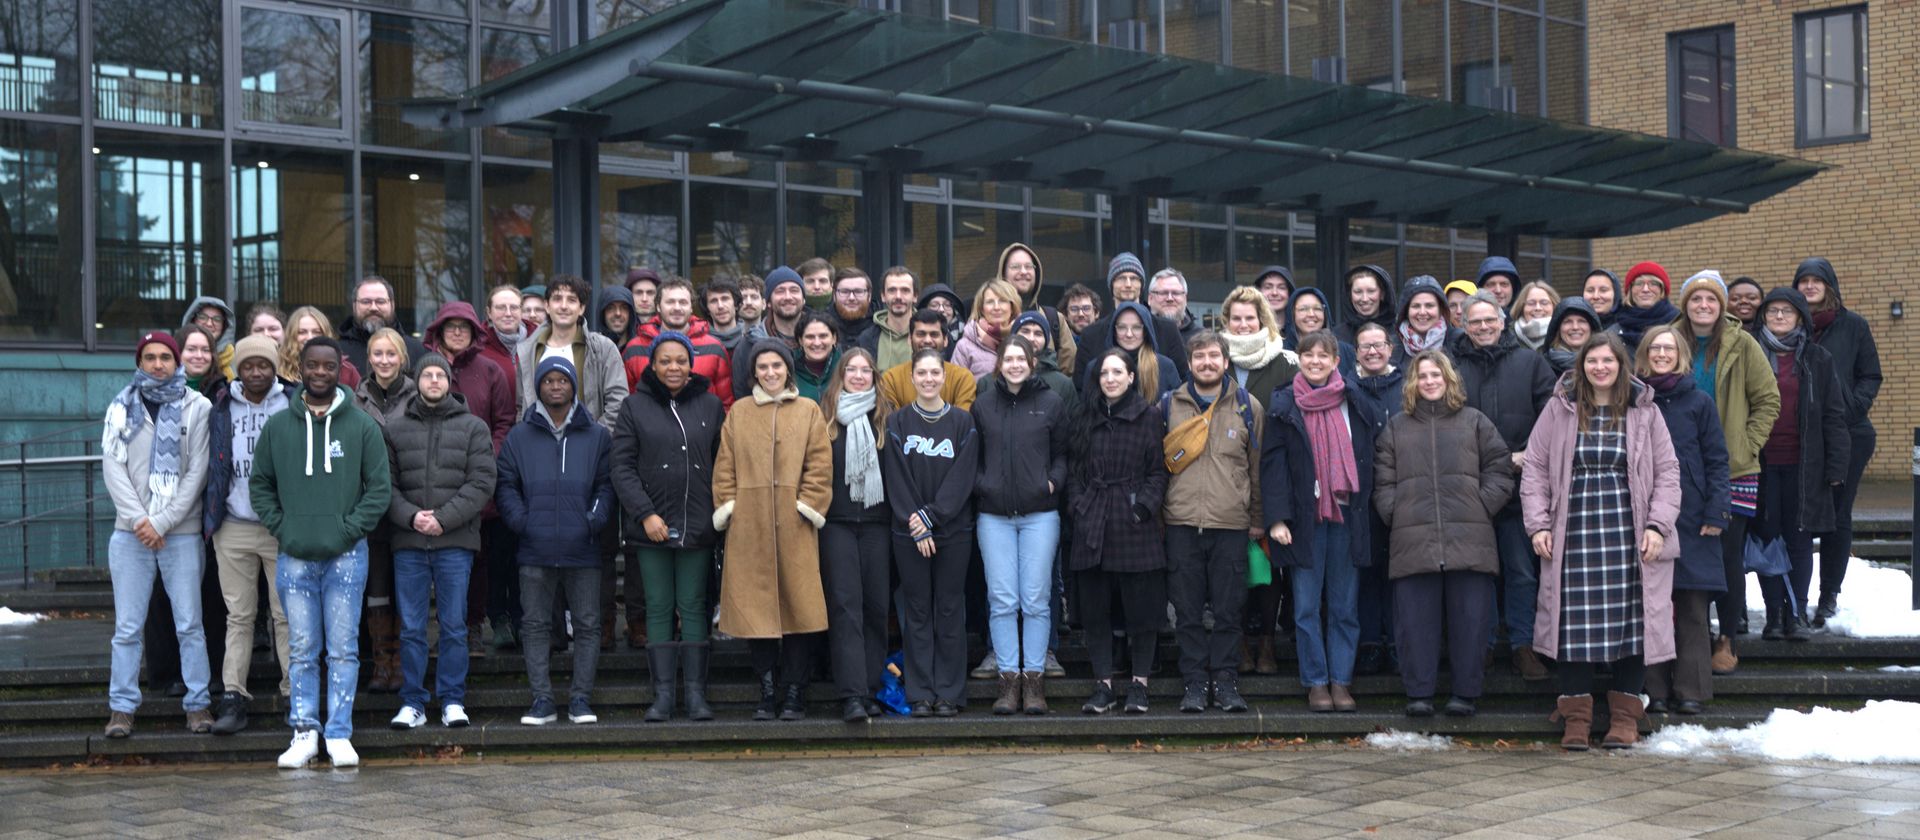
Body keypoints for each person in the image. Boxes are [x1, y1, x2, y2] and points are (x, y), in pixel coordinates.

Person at [1522, 334, 1681, 751]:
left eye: (1607, 360)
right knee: (1572, 626)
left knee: (1634, 624)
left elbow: (1668, 472)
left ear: (1621, 365)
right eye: (1592, 361)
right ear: (1581, 366)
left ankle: (1625, 719)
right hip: (1572, 535)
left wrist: (1657, 526)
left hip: (1630, 535)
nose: (1600, 368)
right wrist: (1538, 525)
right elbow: (1535, 468)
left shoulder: (1645, 411)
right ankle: (1576, 719)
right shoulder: (1560, 409)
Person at [252, 337, 392, 768]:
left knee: (344, 649)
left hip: (347, 556)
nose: (319, 373)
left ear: (339, 370)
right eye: (311, 365)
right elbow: (260, 485)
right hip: (294, 555)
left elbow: (379, 490)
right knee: (302, 647)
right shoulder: (277, 426)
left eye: (327, 366)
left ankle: (339, 733)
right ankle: (304, 732)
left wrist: (348, 531)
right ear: (301, 367)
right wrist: (285, 528)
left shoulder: (362, 426)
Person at [1373, 350, 1513, 718]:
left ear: (1449, 379)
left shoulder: (1475, 422)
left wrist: (1482, 505)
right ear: (1412, 383)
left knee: (1471, 621)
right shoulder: (1396, 427)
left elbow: (1500, 468)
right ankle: (1419, 692)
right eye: (1423, 376)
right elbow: (1382, 481)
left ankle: (1465, 693)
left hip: (1470, 538)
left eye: (1436, 374)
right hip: (1413, 541)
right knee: (1416, 624)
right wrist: (1396, 510)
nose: (1430, 381)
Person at [1261, 330, 1383, 713]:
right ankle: (1315, 682)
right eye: (1308, 355)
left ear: (1336, 362)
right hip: (1304, 519)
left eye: (1323, 356)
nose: (1315, 361)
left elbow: (1371, 455)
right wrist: (1278, 518)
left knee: (1345, 606)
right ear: (1299, 358)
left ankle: (1341, 681)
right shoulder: (1283, 403)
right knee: (1306, 607)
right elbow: (1273, 465)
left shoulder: (1355, 399)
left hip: (1348, 516)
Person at [101, 331, 215, 740]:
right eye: (149, 357)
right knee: (128, 628)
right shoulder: (120, 406)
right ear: (140, 361)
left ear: (176, 360)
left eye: (165, 356)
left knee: (189, 624)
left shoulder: (197, 406)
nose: (157, 364)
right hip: (130, 535)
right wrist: (139, 521)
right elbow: (112, 469)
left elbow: (198, 471)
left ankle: (198, 704)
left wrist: (162, 522)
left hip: (179, 534)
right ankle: (122, 709)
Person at [714, 340, 834, 721]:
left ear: (788, 369)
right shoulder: (740, 413)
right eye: (763, 367)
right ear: (754, 372)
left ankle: (795, 691)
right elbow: (725, 466)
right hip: (749, 527)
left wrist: (807, 506)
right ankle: (766, 690)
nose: (770, 373)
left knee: (798, 609)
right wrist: (731, 507)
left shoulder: (808, 410)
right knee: (756, 612)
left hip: (796, 525)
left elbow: (819, 465)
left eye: (777, 366)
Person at [611, 333, 724, 723]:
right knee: (658, 607)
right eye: (665, 361)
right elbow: (621, 466)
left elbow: (721, 463)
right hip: (651, 528)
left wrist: (716, 513)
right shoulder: (634, 406)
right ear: (652, 366)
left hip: (697, 524)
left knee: (693, 606)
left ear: (691, 364)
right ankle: (661, 696)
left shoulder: (710, 405)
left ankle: (695, 695)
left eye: (680, 360)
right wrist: (645, 514)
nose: (673, 367)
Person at [496, 356, 614, 727]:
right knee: (534, 625)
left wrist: (593, 520)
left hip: (583, 548)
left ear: (573, 385)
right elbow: (506, 485)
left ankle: (580, 699)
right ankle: (542, 700)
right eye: (548, 381)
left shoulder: (596, 435)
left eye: (563, 380)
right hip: (534, 547)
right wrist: (521, 522)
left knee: (587, 625)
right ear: (539, 386)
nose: (556, 386)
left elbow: (607, 486)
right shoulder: (520, 435)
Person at [383, 353, 497, 731]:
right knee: (413, 627)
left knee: (453, 625)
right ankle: (413, 702)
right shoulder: (394, 428)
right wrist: (411, 517)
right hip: (409, 542)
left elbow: (481, 483)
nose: (434, 380)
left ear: (450, 381)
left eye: (440, 375)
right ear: (416, 381)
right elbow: (386, 485)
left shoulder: (473, 428)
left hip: (455, 542)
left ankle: (452, 700)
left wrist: (443, 519)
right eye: (427, 375)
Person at [1672, 272, 1778, 674]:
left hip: (1734, 469)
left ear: (1721, 306)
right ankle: (1689, 638)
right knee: (1684, 551)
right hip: (1680, 468)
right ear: (1685, 304)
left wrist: (1745, 446)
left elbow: (1768, 399)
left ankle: (1727, 638)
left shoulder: (1743, 342)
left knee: (1728, 553)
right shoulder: (1666, 339)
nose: (1703, 305)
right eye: (1695, 298)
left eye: (1711, 299)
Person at [1447, 292, 1556, 681]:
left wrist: (1528, 453)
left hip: (1521, 485)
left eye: (1488, 321)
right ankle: (1484, 644)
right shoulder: (1451, 365)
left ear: (1502, 321)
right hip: (1469, 487)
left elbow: (1552, 413)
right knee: (1479, 572)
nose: (1482, 328)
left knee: (1522, 570)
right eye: (1474, 322)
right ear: (1463, 324)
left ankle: (1523, 646)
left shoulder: (1530, 362)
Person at [1162, 330, 1263, 714]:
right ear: (1189, 363)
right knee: (1186, 612)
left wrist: (1256, 520)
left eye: (1213, 357)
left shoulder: (1247, 406)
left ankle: (1225, 682)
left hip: (1231, 525)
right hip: (1181, 523)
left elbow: (1256, 470)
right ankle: (1193, 683)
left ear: (1225, 361)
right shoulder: (1169, 405)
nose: (1207, 363)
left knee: (1228, 611)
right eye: (1199, 357)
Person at [1066, 349, 1169, 715]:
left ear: (1130, 377)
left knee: (1142, 610)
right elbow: (1074, 471)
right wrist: (1079, 507)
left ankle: (1139, 686)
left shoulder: (1149, 416)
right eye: (1103, 373)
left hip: (1133, 522)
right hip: (1092, 519)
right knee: (1096, 611)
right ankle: (1103, 686)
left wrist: (1142, 507)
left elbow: (1159, 471)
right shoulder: (1084, 416)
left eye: (1117, 372)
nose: (1110, 379)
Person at [202, 335, 295, 735]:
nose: (256, 372)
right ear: (237, 368)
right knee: (238, 617)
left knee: (286, 617)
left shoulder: (294, 401)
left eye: (264, 365)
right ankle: (233, 698)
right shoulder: (219, 405)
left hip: (282, 528)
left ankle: (297, 696)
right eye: (248, 365)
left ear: (275, 367)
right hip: (233, 525)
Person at [1635, 325, 1730, 716]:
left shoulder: (1699, 402)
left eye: (1668, 348)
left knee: (1691, 605)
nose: (1661, 353)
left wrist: (1717, 509)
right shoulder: (1634, 401)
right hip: (1645, 515)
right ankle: (1654, 690)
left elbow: (1717, 459)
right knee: (1652, 605)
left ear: (1680, 355)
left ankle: (1690, 689)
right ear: (1644, 354)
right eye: (1654, 347)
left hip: (1693, 518)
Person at [883, 349, 983, 717]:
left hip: (952, 532)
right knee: (917, 611)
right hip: (907, 532)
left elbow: (963, 478)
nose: (928, 379)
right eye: (921, 373)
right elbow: (896, 477)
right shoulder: (896, 423)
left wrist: (931, 517)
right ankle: (920, 693)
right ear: (912, 378)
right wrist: (916, 521)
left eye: (934, 373)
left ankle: (949, 695)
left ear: (944, 377)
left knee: (949, 608)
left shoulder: (962, 423)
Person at [972, 337, 1068, 715]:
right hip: (993, 515)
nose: (1014, 364)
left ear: (1032, 362)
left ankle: (1034, 682)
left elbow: (1062, 453)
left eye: (1020, 359)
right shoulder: (982, 405)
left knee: (1035, 600)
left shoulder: (1051, 403)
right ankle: (1008, 682)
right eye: (1007, 359)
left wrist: (1053, 482)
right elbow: (973, 455)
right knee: (1002, 600)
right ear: (999, 364)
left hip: (1039, 514)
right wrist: (984, 485)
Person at [1753, 288, 1850, 642]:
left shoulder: (1818, 358)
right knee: (1767, 538)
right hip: (1760, 463)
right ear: (1763, 316)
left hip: (1805, 465)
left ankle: (1796, 614)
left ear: (1800, 318)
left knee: (1798, 538)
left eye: (1787, 311)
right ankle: (1773, 614)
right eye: (1772, 311)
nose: (1779, 317)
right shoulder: (1751, 353)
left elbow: (1834, 416)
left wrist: (1837, 468)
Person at [1793, 257, 1880, 627]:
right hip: (1802, 438)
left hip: (1849, 435)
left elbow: (1870, 374)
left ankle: (1829, 594)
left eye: (1817, 280)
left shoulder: (1853, 325)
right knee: (1800, 517)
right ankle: (1794, 595)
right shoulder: (1789, 324)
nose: (1810, 286)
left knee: (1838, 516)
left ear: (1830, 285)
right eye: (1804, 281)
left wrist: (1852, 410)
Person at [817, 348, 894, 722]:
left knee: (876, 608)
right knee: (846, 609)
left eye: (866, 370)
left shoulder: (886, 419)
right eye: (852, 369)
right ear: (841, 375)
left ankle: (871, 690)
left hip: (879, 526)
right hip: (837, 526)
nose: (859, 376)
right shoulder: (825, 420)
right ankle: (851, 695)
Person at [351, 327, 415, 693]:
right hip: (370, 511)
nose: (385, 360)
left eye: (391, 354)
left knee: (406, 591)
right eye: (378, 354)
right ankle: (381, 662)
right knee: (376, 590)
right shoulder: (355, 399)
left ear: (402, 357)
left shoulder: (417, 392)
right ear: (369, 358)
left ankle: (403, 662)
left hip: (408, 505)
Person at [1350, 321, 1405, 678]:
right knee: (1367, 572)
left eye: (1378, 345)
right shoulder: (1346, 387)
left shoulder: (1407, 386)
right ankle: (1370, 644)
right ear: (1356, 352)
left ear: (1390, 348)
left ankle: (1399, 645)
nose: (1372, 351)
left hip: (1404, 491)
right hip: (1360, 492)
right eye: (1365, 346)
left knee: (1400, 575)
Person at [479, 284, 531, 649]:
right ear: (489, 312)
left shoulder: (537, 344)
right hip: (496, 455)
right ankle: (498, 616)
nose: (508, 313)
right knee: (497, 546)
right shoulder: (481, 350)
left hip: (534, 454)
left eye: (514, 306)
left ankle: (524, 616)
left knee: (526, 544)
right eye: (501, 307)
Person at [514, 275, 628, 428]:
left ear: (582, 308)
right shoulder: (528, 350)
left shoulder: (603, 348)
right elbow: (521, 406)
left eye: (572, 300)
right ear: (547, 306)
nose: (563, 306)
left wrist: (595, 440)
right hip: (539, 445)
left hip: (590, 446)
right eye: (557, 299)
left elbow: (618, 402)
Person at [626, 276, 736, 409]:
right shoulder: (634, 348)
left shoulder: (714, 347)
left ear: (691, 307)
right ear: (658, 307)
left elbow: (726, 404)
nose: (677, 307)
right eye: (670, 302)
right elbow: (628, 403)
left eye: (683, 302)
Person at [1080, 253, 1189, 380]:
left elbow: (1183, 378)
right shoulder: (1092, 334)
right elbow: (1082, 385)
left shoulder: (1166, 329)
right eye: (1121, 278)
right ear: (1111, 284)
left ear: (1142, 285)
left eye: (1134, 278)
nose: (1128, 284)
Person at [1000, 243, 1079, 375]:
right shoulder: (988, 320)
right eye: (1015, 267)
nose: (1023, 271)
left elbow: (1068, 373)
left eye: (1029, 266)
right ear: (1003, 274)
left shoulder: (1054, 319)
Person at [879, 309, 978, 411]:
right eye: (921, 334)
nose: (927, 340)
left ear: (945, 340)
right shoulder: (891, 379)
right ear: (909, 339)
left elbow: (962, 422)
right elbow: (893, 423)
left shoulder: (962, 378)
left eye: (934, 335)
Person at [731, 267, 807, 399]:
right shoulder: (749, 345)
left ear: (804, 299)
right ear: (768, 302)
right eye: (780, 291)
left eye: (794, 290)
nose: (788, 297)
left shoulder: (820, 340)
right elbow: (742, 395)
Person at [1083, 301, 1180, 401]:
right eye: (1122, 327)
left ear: (1146, 331)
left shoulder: (1165, 366)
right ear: (1114, 331)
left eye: (1137, 327)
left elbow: (1176, 409)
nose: (1129, 334)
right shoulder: (1096, 366)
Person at [1220, 286, 1297, 407]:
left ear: (1261, 320)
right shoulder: (1215, 360)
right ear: (1227, 321)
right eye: (1236, 318)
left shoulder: (1287, 364)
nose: (1243, 325)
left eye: (1250, 318)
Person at [337, 276, 427, 377]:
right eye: (366, 302)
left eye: (380, 301)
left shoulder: (416, 350)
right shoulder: (338, 351)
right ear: (354, 306)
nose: (373, 308)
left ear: (392, 304)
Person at [278, 306, 363, 388]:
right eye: (302, 332)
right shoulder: (278, 367)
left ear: (325, 334)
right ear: (291, 335)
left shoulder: (346, 369)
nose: (310, 337)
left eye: (316, 332)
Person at [951, 278, 1018, 379]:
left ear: (1012, 307)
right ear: (982, 309)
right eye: (990, 302)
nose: (996, 307)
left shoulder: (1026, 337)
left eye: (1002, 301)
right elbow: (955, 387)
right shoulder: (964, 347)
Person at [856, 266, 918, 371]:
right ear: (883, 296)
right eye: (892, 290)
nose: (898, 296)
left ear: (915, 296)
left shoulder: (932, 334)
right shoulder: (866, 338)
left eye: (905, 290)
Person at [1616, 261, 1678, 351]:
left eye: (1653, 283)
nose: (1645, 289)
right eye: (1639, 283)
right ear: (1630, 290)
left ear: (1662, 289)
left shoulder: (1679, 323)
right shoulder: (1615, 326)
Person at [1392, 275, 1454, 363]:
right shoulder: (1391, 348)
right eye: (1416, 306)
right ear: (1406, 311)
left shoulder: (1460, 343)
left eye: (1429, 306)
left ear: (1441, 310)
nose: (1422, 312)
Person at [1333, 264, 1395, 345]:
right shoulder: (1336, 337)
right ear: (1350, 296)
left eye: (1371, 291)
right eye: (1358, 292)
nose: (1364, 299)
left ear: (1382, 294)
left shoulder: (1400, 334)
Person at [792, 310, 843, 401]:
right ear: (800, 341)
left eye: (823, 336)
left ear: (834, 338)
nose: (817, 343)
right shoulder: (789, 369)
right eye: (810, 337)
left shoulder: (845, 368)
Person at [1543, 297, 1601, 375]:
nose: (1575, 327)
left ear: (1591, 327)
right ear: (1558, 329)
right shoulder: (1543, 366)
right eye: (1568, 321)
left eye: (1582, 321)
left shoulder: (1607, 362)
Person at [181, 296, 236, 378]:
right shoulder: (174, 357)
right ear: (192, 320)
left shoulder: (237, 360)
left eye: (217, 319)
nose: (209, 324)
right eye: (202, 317)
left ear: (225, 326)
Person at [1149, 267, 1202, 344]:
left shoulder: (1201, 338)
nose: (1170, 298)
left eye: (1176, 293)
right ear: (1150, 298)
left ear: (1185, 299)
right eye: (1163, 293)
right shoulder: (1140, 334)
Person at [176, 324, 226, 401]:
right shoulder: (162, 389)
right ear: (178, 352)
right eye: (191, 349)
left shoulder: (223, 392)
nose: (199, 356)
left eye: (205, 350)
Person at [703, 276, 750, 355]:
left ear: (736, 304)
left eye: (725, 299)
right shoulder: (699, 346)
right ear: (707, 309)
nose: (720, 306)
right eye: (713, 301)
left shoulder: (751, 341)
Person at [916, 282, 968, 353]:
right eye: (934, 305)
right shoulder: (915, 336)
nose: (941, 309)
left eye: (947, 305)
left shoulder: (968, 335)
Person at [1509, 281, 1561, 351]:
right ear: (1521, 307)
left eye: (1544, 303)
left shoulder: (1563, 335)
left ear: (1554, 306)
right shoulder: (1507, 337)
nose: (1538, 308)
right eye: (1531, 303)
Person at [829, 267, 873, 347]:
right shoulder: (821, 325)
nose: (851, 298)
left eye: (858, 291)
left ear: (869, 296)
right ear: (834, 296)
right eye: (844, 292)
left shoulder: (882, 327)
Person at [1581, 269, 1622, 334]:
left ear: (1616, 294)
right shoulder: (1574, 327)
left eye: (1603, 290)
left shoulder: (1629, 326)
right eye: (1590, 290)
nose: (1596, 296)